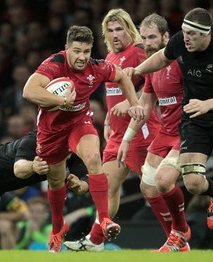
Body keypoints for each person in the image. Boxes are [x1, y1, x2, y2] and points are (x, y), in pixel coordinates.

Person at [123, 7, 213, 253]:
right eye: (184, 32)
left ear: (206, 35)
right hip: (196, 121)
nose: (186, 38)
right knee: (193, 183)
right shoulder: (180, 43)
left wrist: (207, 104)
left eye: (192, 34)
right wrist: (138, 71)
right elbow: (162, 57)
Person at [22, 25, 144, 252]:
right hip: (52, 130)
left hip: (79, 122)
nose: (82, 57)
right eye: (77, 51)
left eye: (86, 51)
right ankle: (57, 229)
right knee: (57, 181)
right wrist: (61, 102)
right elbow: (29, 91)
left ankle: (105, 219)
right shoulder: (54, 64)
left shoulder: (96, 67)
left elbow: (122, 78)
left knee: (94, 159)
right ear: (67, 48)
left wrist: (135, 104)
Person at [64, 8, 161, 252]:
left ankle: (177, 234)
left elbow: (157, 85)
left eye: (120, 29)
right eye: (110, 30)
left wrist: (132, 102)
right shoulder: (109, 58)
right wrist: (108, 119)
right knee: (106, 186)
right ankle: (96, 241)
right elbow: (112, 94)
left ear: (129, 29)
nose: (115, 34)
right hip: (117, 135)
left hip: (141, 131)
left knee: (154, 187)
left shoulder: (139, 52)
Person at [117, 13, 190, 252]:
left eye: (152, 37)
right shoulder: (151, 68)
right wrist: (127, 139)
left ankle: (181, 232)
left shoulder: (181, 62)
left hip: (187, 132)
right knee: (147, 186)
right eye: (144, 38)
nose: (147, 43)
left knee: (163, 181)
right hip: (166, 133)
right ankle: (176, 240)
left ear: (166, 37)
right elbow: (145, 107)